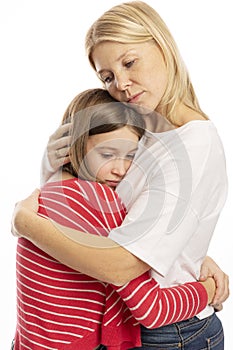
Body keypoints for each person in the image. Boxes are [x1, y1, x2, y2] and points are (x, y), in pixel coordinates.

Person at [12, 1, 229, 349]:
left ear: (162, 44)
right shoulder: (137, 128)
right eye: (108, 77)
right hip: (122, 321)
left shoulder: (193, 145)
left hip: (170, 331)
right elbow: (103, 213)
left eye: (129, 62)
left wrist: (27, 222)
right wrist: (191, 254)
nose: (122, 85)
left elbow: (121, 265)